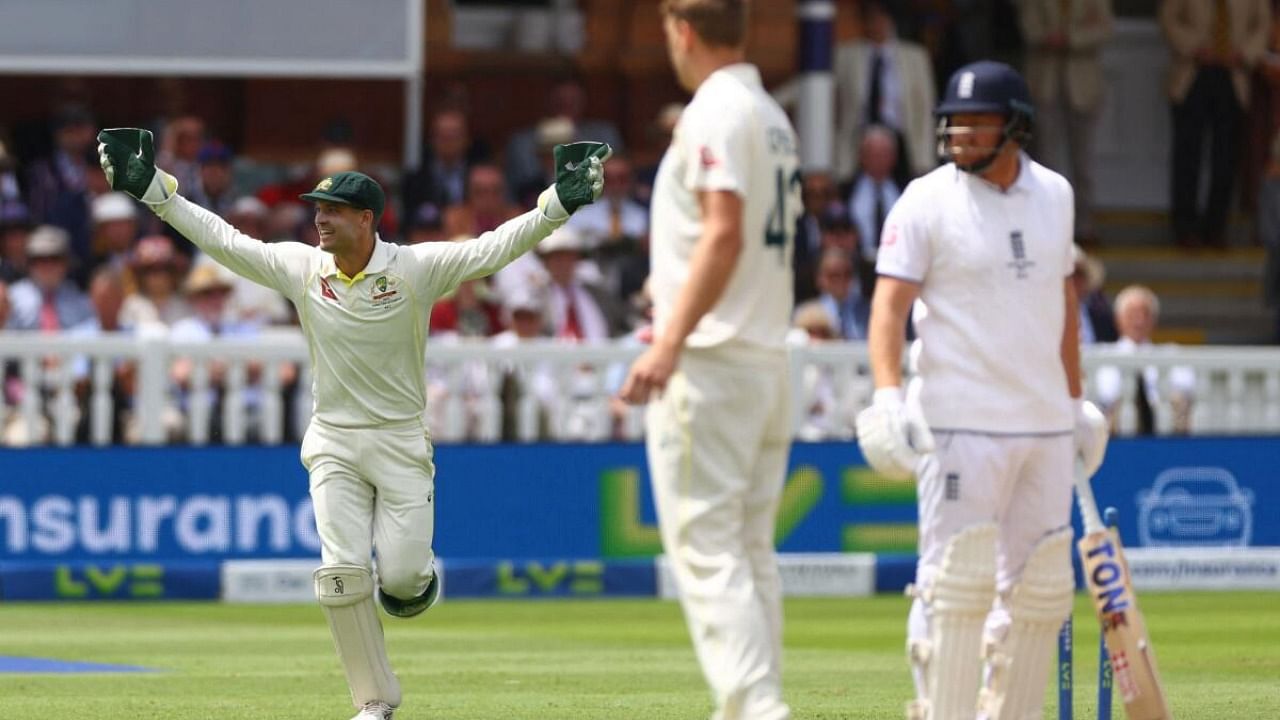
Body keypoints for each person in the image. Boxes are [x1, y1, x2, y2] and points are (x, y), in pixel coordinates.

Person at [98, 126, 609, 720]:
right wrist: (155, 192)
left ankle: (411, 587)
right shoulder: (302, 269)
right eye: (317, 210)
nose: (319, 221)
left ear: (366, 219)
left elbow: (494, 247)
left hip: (400, 441)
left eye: (333, 212)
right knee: (340, 573)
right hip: (334, 439)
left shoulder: (416, 269)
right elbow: (225, 241)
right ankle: (374, 701)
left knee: (402, 578)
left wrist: (559, 202)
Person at [853, 61, 1110, 720]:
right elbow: (888, 306)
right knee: (956, 586)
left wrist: (1075, 402)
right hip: (959, 421)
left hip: (1044, 424)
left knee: (1040, 594)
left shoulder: (1055, 194)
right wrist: (886, 395)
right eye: (953, 121)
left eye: (976, 121)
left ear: (1016, 127)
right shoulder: (925, 199)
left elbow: (1061, 300)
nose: (959, 133)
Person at [618, 2, 799, 718]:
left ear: (682, 31)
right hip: (764, 355)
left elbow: (723, 234)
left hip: (714, 360)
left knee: (708, 551)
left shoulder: (715, 111)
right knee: (749, 551)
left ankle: (758, 708)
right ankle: (756, 703)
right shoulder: (771, 113)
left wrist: (668, 341)